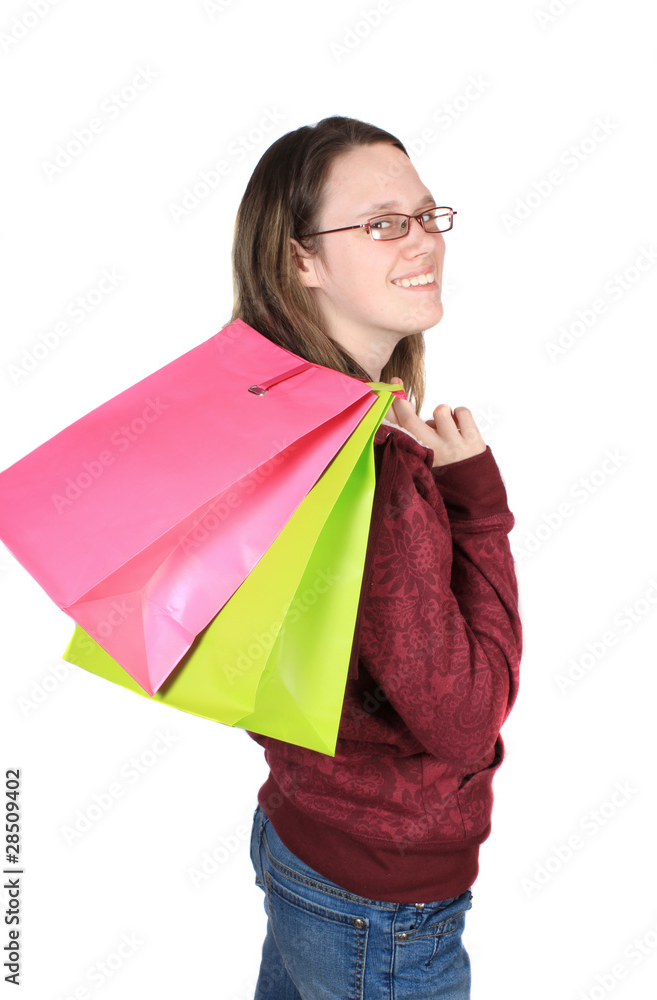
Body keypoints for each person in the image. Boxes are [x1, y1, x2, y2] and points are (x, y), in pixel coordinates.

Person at [227, 115, 522, 1000]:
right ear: (301, 259)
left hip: (302, 834)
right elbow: (464, 718)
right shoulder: (375, 468)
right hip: (376, 901)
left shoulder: (267, 410)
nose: (423, 242)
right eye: (383, 224)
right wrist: (477, 509)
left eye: (427, 216)